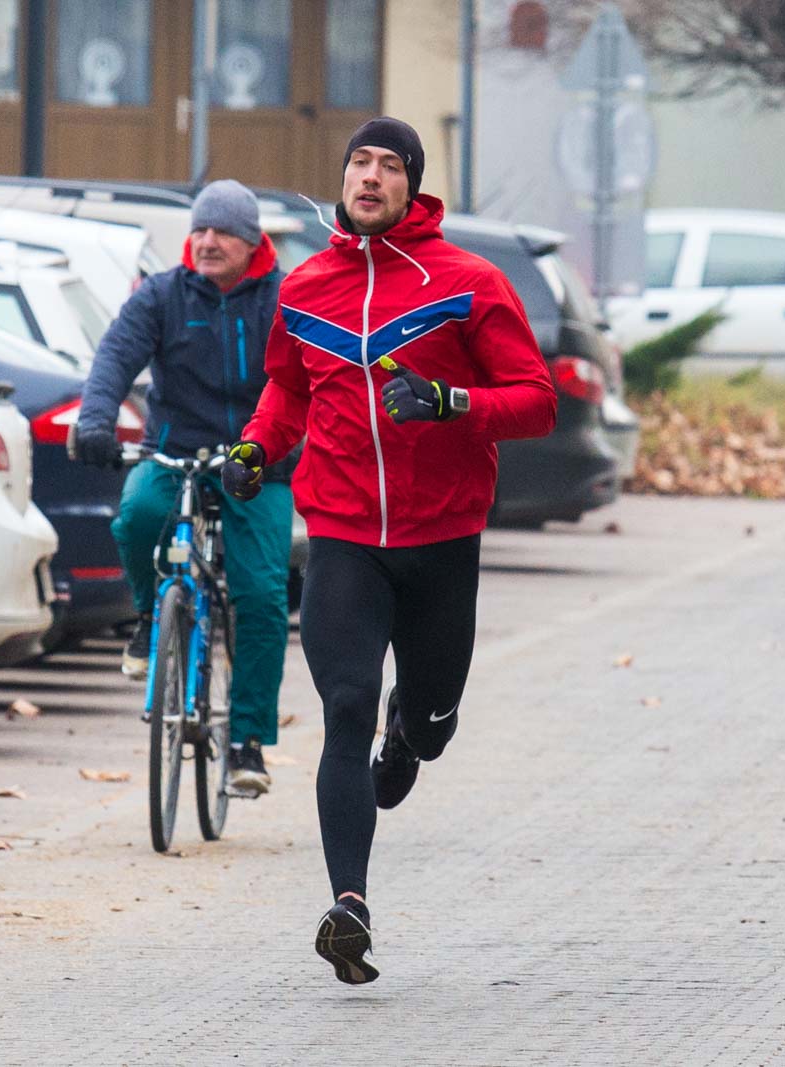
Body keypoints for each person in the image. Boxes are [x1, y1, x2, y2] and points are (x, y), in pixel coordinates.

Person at [221, 117, 557, 983]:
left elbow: (535, 401)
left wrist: (452, 403)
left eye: (388, 166)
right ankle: (349, 906)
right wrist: (259, 447)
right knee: (343, 703)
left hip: (441, 536)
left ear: (413, 185)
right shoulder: (305, 288)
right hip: (341, 535)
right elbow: (286, 390)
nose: (369, 177)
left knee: (432, 718)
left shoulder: (467, 283)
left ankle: (414, 732)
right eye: (358, 163)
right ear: (342, 179)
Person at [74, 179, 293, 797]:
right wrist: (95, 420)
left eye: (223, 231)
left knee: (262, 592)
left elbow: (309, 379)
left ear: (253, 243)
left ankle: (248, 741)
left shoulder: (283, 298)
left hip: (257, 461)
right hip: (174, 450)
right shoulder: (163, 295)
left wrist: (287, 447)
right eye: (199, 230)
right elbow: (115, 356)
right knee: (138, 514)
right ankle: (150, 618)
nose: (208, 242)